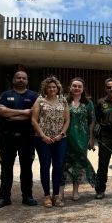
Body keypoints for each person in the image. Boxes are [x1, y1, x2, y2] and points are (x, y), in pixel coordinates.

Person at [0, 70, 39, 209]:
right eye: (18, 77)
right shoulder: (5, 95)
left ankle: (27, 196)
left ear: (27, 80)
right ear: (13, 80)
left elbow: (34, 114)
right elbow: (1, 111)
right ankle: (4, 198)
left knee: (26, 169)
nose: (20, 80)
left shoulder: (34, 96)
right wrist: (24, 112)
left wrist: (11, 115)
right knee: (6, 169)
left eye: (23, 78)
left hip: (27, 138)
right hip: (7, 138)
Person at [31, 76, 69, 208]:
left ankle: (56, 195)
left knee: (58, 166)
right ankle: (47, 196)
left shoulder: (63, 100)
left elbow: (67, 120)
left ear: (58, 88)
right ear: (45, 89)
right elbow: (34, 120)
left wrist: (61, 134)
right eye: (49, 87)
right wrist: (42, 135)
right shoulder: (39, 100)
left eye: (54, 87)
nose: (52, 89)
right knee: (45, 166)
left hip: (60, 139)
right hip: (43, 139)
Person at [61, 77, 96, 201]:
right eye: (74, 86)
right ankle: (61, 191)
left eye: (79, 86)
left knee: (78, 164)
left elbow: (91, 122)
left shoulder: (88, 103)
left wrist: (91, 139)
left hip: (82, 137)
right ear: (70, 87)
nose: (76, 88)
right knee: (63, 163)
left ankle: (75, 191)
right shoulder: (64, 101)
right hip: (65, 137)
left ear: (83, 89)